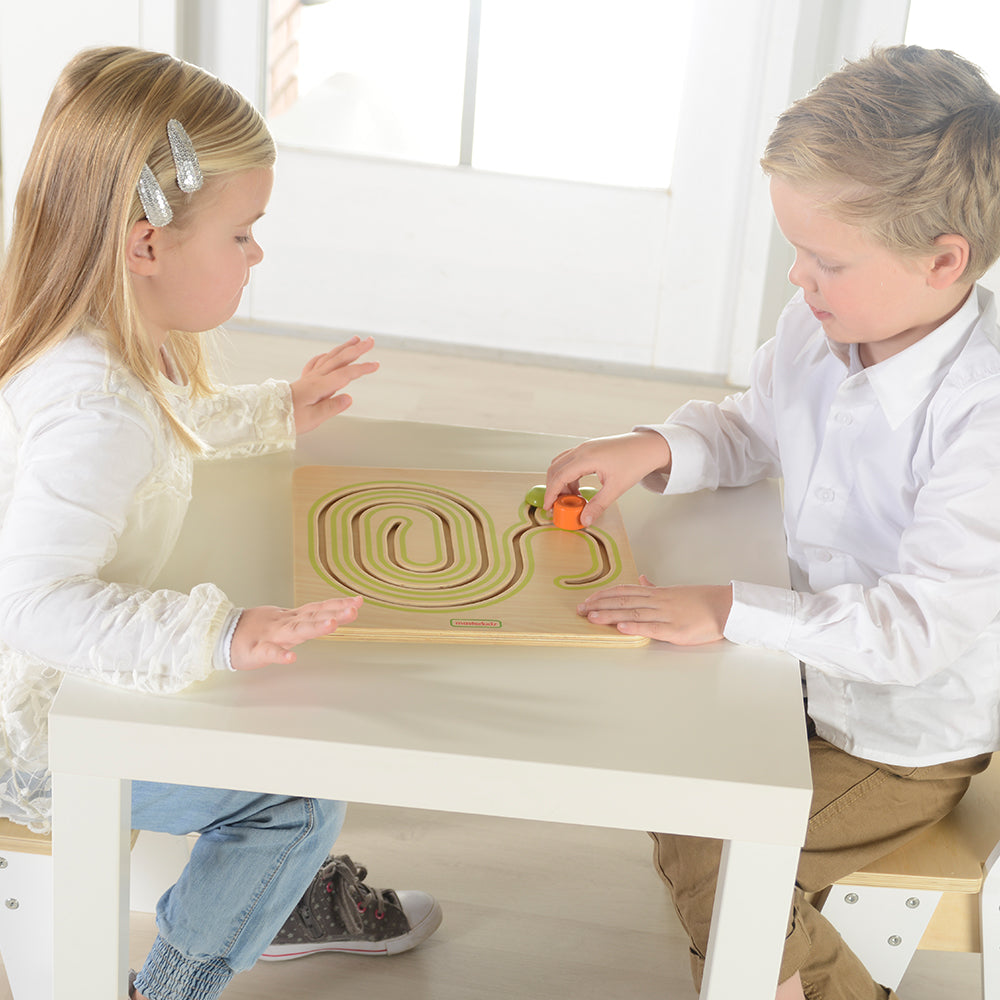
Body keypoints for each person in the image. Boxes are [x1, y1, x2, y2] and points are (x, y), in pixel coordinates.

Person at [545, 45, 1000, 1000]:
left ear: (944, 260)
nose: (798, 277)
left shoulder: (982, 414)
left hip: (898, 736)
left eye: (826, 258)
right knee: (657, 754)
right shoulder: (823, 322)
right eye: (795, 249)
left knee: (714, 835)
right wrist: (657, 449)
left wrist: (726, 605)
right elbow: (755, 425)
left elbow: (917, 634)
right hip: (795, 675)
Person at [0, 47, 441, 1000]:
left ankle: (255, 896)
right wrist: (216, 631)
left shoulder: (91, 342)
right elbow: (33, 604)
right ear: (145, 245)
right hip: (26, 732)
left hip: (35, 688)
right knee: (295, 795)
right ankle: (172, 984)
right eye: (243, 235)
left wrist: (274, 410)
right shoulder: (94, 408)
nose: (258, 254)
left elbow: (159, 432)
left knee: (278, 704)